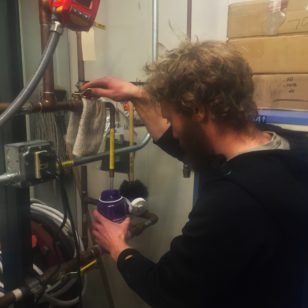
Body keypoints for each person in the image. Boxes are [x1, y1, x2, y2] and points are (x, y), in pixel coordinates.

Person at [81, 41, 308, 308]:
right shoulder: (288, 145)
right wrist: (136, 94)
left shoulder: (231, 202)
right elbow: (195, 149)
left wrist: (117, 246)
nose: (174, 132)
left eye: (174, 120)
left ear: (199, 110)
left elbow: (168, 291)